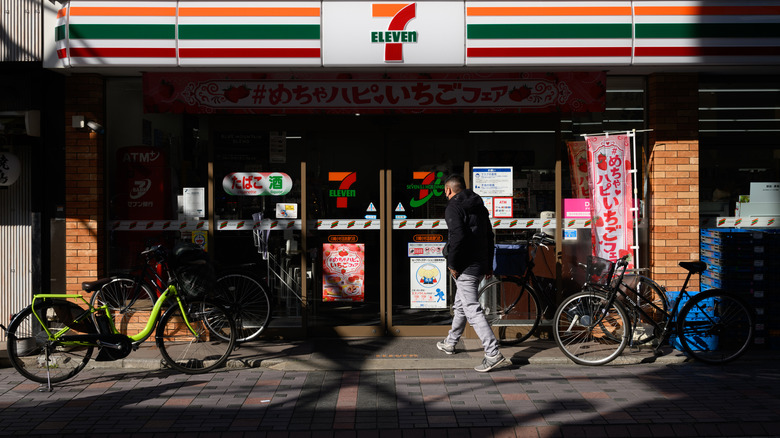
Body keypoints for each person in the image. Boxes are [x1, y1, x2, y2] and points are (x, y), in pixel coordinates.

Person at [436, 174, 505, 372]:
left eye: (444, 191)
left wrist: (452, 263)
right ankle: (451, 342)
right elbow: (489, 236)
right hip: (480, 263)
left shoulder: (453, 207)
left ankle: (492, 353)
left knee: (472, 309)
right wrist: (489, 264)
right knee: (461, 304)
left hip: (465, 265)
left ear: (448, 190)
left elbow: (457, 237)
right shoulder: (480, 206)